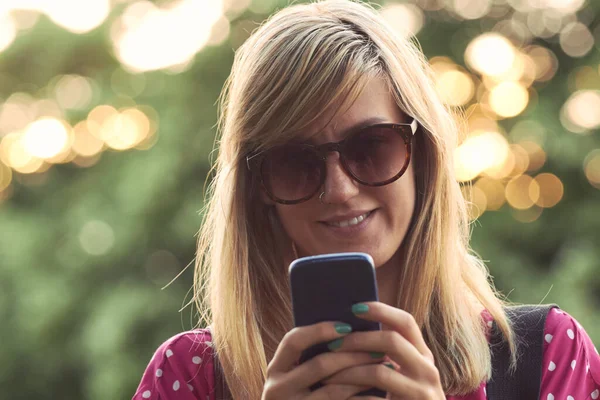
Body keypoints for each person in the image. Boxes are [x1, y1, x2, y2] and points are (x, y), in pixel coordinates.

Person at [132, 0, 600, 399]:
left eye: (371, 146)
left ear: (424, 157)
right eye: (296, 161)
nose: (339, 189)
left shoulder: (546, 357)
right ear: (257, 187)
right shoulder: (191, 376)